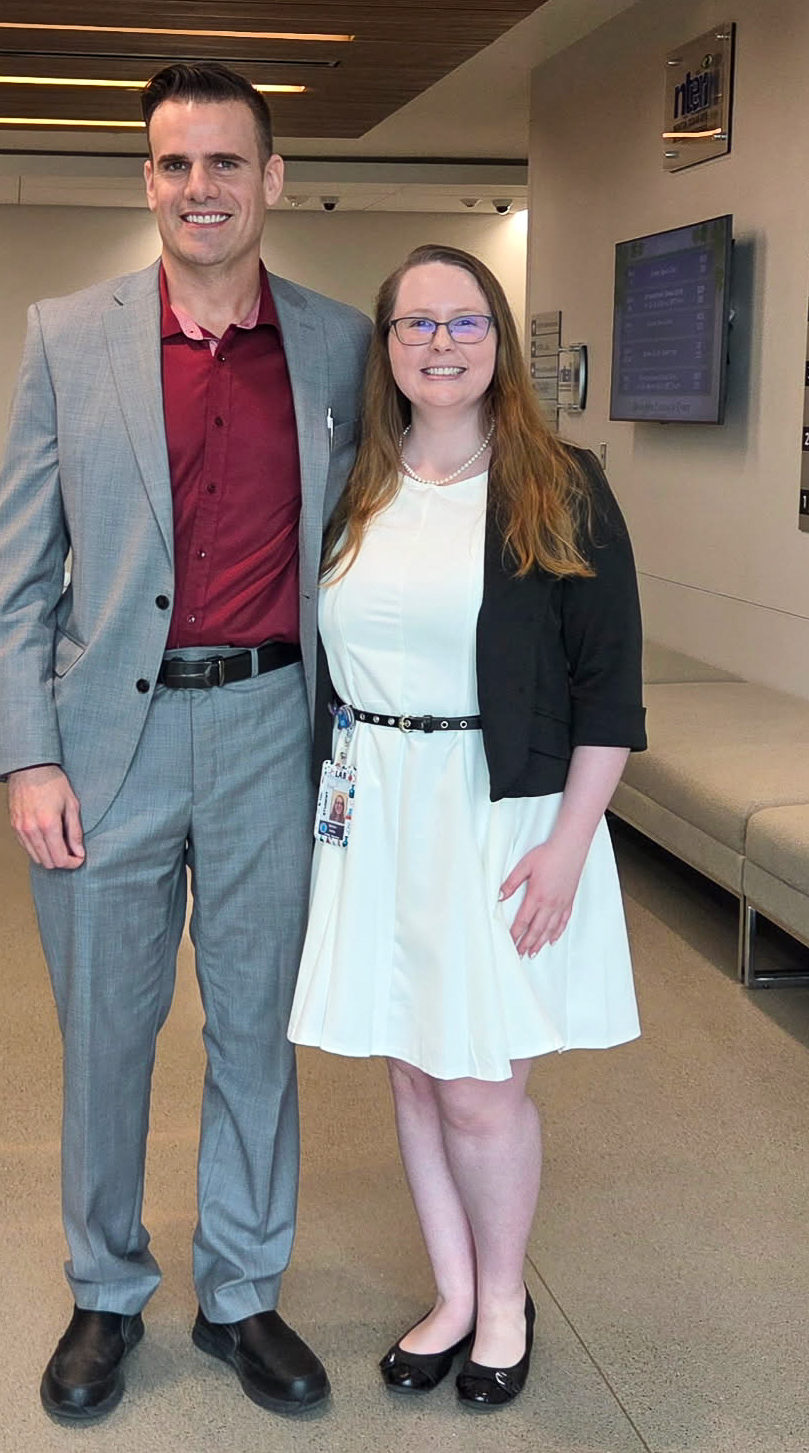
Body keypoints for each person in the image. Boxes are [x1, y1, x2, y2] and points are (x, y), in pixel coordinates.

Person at [0, 62, 370, 1423]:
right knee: (106, 1030)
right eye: (173, 163)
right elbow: (17, 572)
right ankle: (104, 1288)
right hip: (105, 745)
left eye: (224, 162)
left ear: (272, 180)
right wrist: (29, 755)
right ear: (146, 180)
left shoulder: (337, 344)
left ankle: (242, 1293)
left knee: (256, 1024)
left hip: (272, 727)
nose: (199, 187)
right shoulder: (65, 337)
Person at [288, 244, 646, 1411]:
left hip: (500, 815)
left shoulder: (558, 483)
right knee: (410, 1072)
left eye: (464, 322)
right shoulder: (356, 481)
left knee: (480, 1087)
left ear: (498, 339)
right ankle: (450, 1293)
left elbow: (609, 690)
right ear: (385, 345)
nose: (440, 344)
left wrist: (568, 845)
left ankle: (502, 1302)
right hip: (374, 809)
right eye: (416, 325)